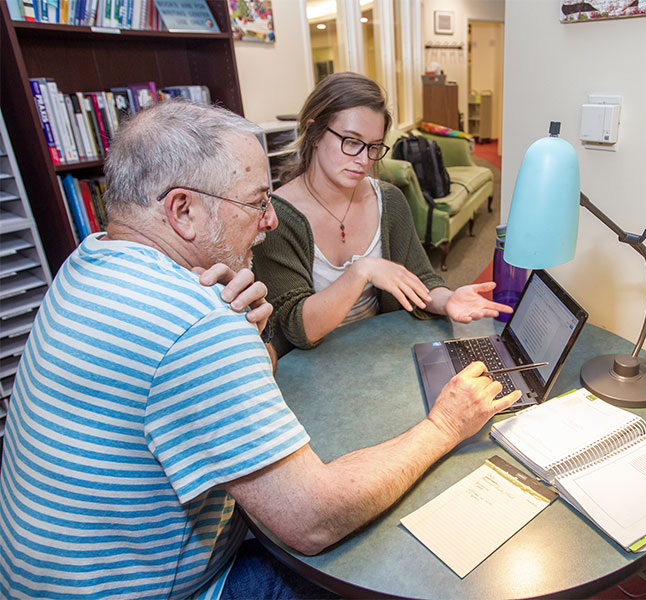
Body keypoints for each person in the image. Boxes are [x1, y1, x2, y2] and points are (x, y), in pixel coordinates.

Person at [0, 99, 521, 600]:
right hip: (167, 589)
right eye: (255, 203)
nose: (269, 221)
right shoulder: (196, 325)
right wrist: (444, 424)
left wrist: (249, 338)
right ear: (183, 210)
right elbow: (313, 520)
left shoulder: (89, 257)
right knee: (387, 570)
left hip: (49, 581)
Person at [252, 72, 511, 356]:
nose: (364, 160)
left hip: (382, 352)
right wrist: (362, 270)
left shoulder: (388, 199)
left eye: (374, 147)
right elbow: (296, 327)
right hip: (314, 367)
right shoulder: (274, 218)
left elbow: (421, 278)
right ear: (314, 133)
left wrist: (447, 300)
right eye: (351, 141)